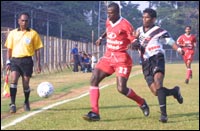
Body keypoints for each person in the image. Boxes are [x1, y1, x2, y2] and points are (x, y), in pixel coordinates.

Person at [82, 2, 149, 121]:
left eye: (111, 13)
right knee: (94, 79)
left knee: (121, 88)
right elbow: (108, 30)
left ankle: (141, 102)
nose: (109, 16)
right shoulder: (109, 21)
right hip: (108, 57)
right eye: (108, 13)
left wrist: (135, 44)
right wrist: (101, 38)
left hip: (121, 59)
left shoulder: (126, 25)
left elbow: (133, 39)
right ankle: (95, 113)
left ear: (118, 13)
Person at [131, 8, 184, 123]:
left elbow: (170, 41)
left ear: (154, 19)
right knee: (156, 91)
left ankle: (164, 115)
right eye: (143, 17)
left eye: (147, 17)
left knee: (159, 82)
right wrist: (134, 44)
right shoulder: (138, 30)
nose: (144, 19)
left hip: (157, 58)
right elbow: (134, 43)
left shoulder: (159, 31)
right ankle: (175, 91)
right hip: (145, 62)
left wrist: (179, 49)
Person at [5, 12, 43, 113]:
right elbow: (9, 49)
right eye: (22, 20)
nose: (24, 22)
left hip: (27, 61)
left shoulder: (33, 33)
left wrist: (38, 63)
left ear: (28, 21)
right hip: (15, 60)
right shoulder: (12, 33)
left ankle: (26, 102)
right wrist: (8, 62)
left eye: (26, 20)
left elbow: (37, 49)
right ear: (18, 21)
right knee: (13, 80)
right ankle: (12, 104)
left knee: (26, 84)